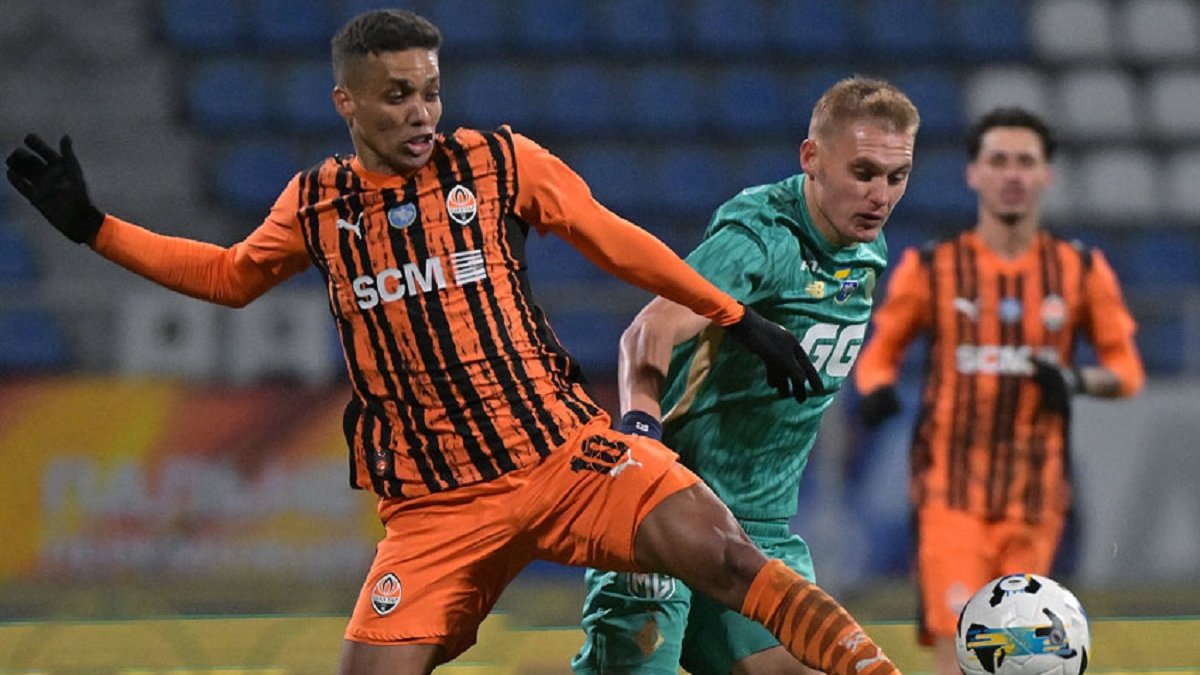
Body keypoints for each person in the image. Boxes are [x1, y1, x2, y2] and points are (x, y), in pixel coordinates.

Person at [5, 10, 902, 675]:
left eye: (430, 90)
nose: (421, 111)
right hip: (437, 505)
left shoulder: (500, 162)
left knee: (727, 550)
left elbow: (617, 242)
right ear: (348, 102)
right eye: (398, 95)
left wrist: (736, 316)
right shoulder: (317, 203)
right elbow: (228, 275)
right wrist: (95, 228)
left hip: (564, 455)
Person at [571, 77, 919, 675]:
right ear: (811, 157)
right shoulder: (761, 237)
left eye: (897, 176)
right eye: (863, 172)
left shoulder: (866, 248)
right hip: (672, 517)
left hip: (759, 531)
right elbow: (647, 332)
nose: (880, 195)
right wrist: (641, 445)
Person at [852, 107, 1144, 675]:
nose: (1012, 174)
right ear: (974, 173)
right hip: (949, 493)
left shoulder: (1079, 269)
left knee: (1026, 652)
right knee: (960, 640)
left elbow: (1125, 368)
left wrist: (1076, 380)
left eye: (1025, 162)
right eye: (999, 160)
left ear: (1045, 175)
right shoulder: (934, 266)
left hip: (1035, 498)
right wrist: (877, 388)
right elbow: (881, 352)